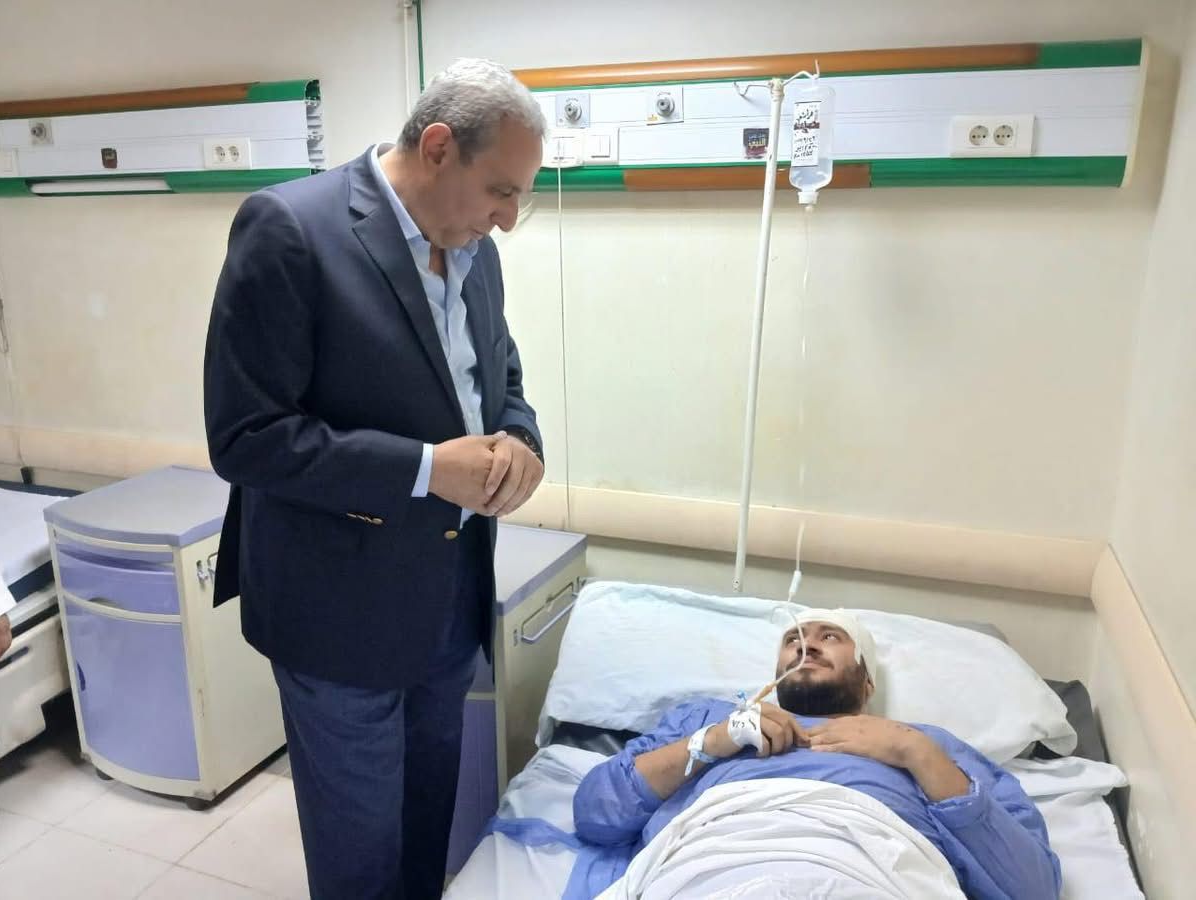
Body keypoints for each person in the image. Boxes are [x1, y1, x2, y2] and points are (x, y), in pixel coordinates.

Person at [203, 58, 547, 900]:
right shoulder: (291, 230)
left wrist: (521, 439)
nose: (508, 220)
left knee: (427, 831)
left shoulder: (474, 251)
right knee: (360, 859)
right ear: (438, 148)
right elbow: (246, 438)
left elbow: (498, 372)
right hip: (338, 614)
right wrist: (427, 469)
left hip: (448, 602)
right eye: (501, 191)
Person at [571, 609, 1062, 899]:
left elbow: (1032, 887)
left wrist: (914, 752)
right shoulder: (707, 719)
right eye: (793, 640)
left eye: (830, 636)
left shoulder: (930, 743)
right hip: (714, 865)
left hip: (876, 875)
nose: (806, 645)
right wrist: (710, 744)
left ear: (868, 682)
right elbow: (595, 814)